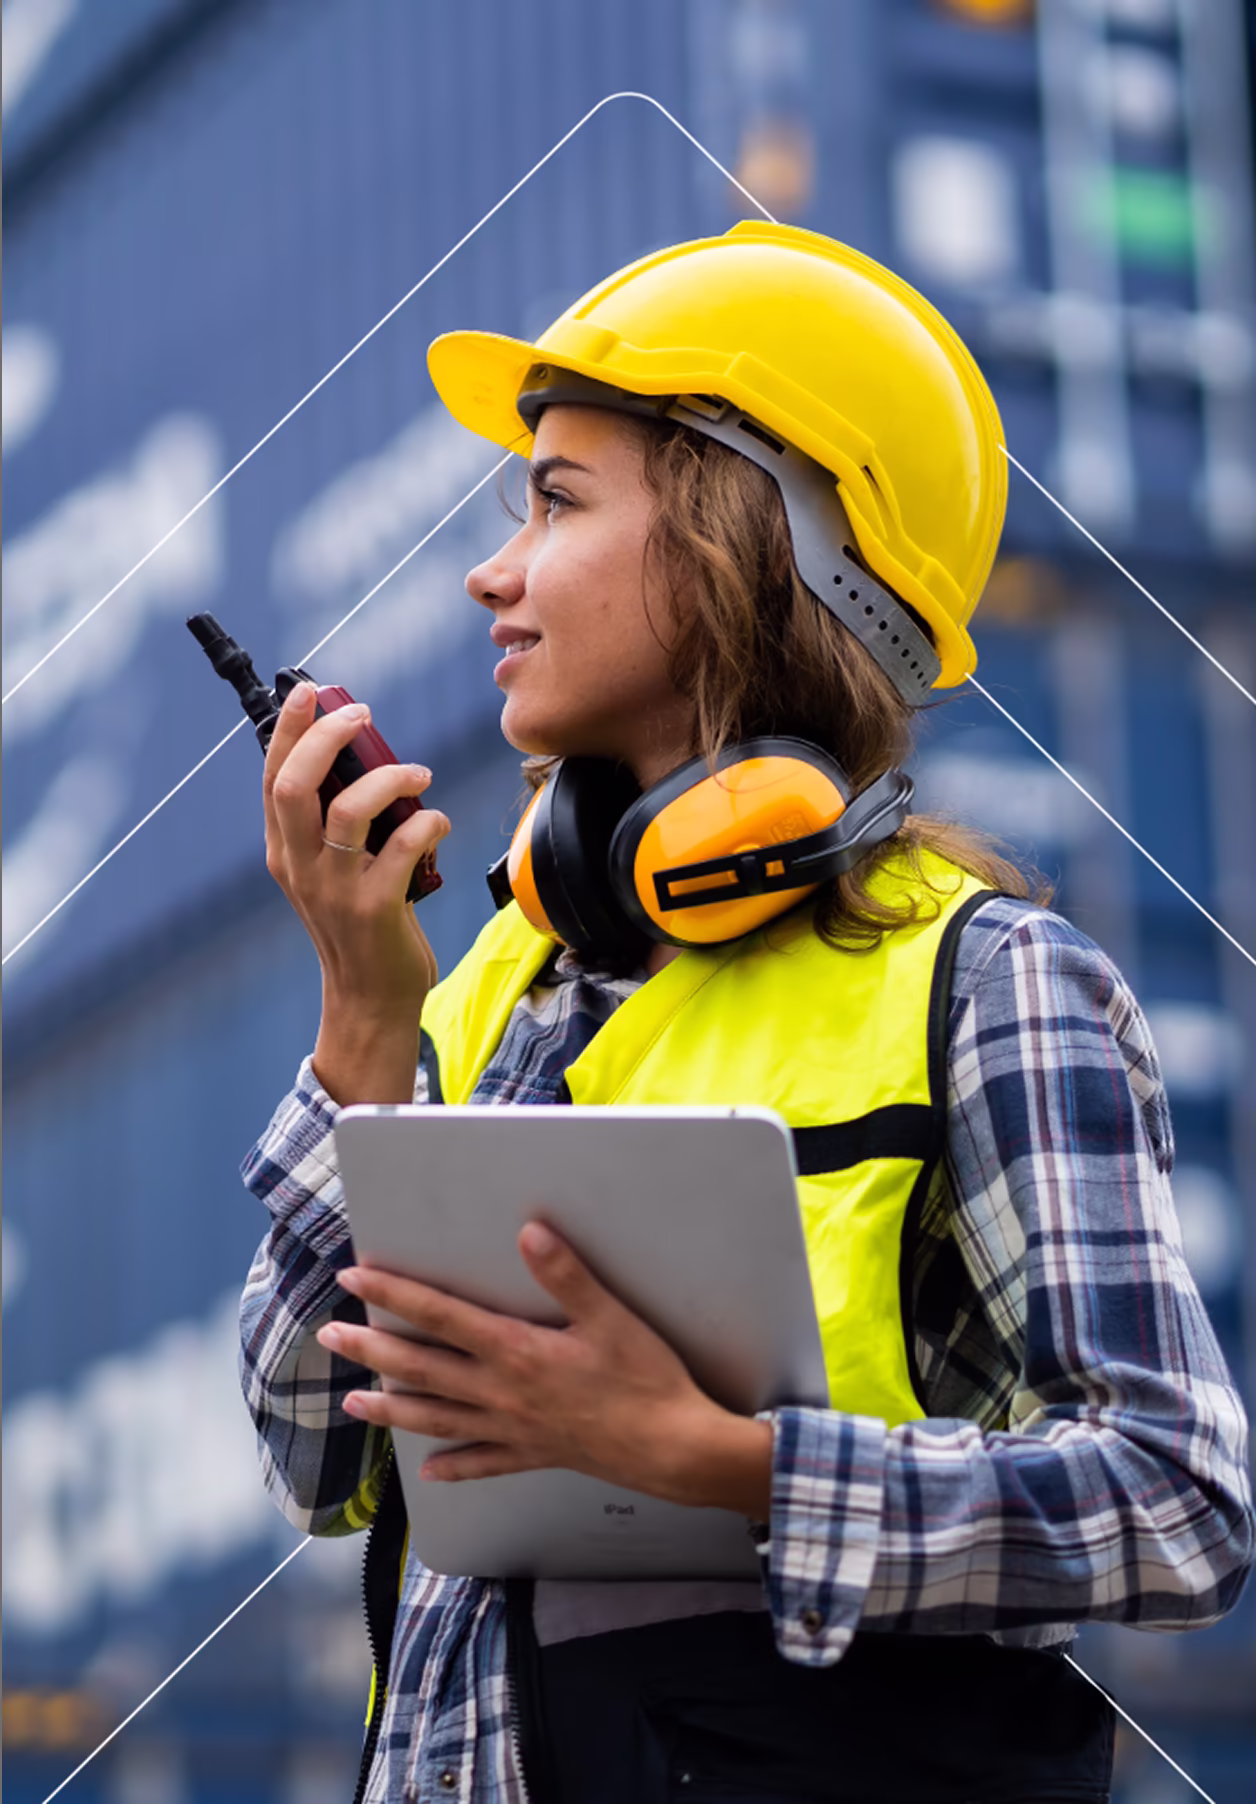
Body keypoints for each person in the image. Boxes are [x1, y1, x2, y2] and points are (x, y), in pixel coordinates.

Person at [239, 223, 1254, 1804]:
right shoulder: (492, 985)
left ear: (741, 543)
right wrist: (362, 1024)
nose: (489, 571)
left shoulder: (986, 984)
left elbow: (1180, 1505)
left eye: (558, 500)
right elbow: (314, 1461)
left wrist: (720, 1464)